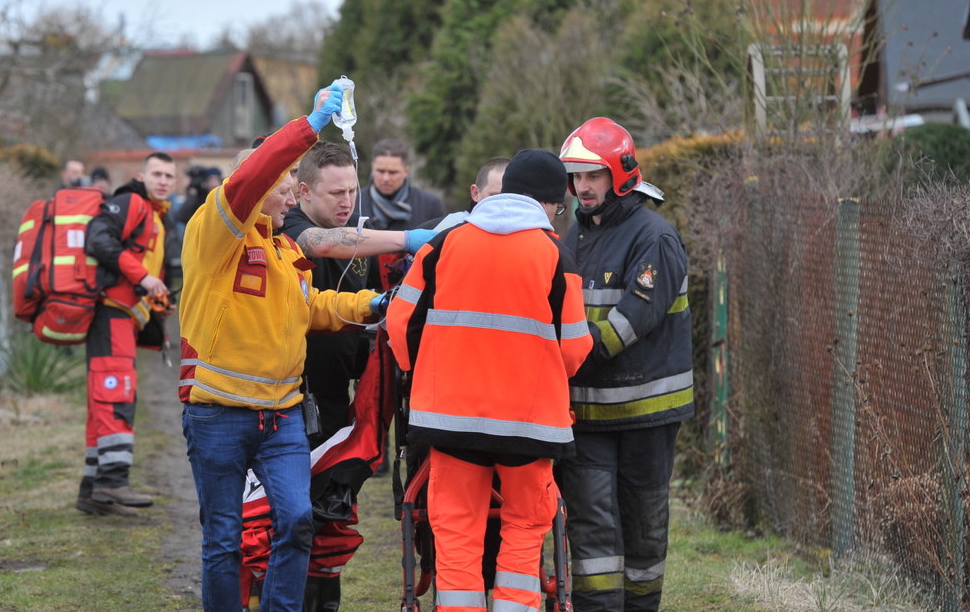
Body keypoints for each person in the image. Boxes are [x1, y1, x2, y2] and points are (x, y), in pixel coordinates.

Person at [177, 84, 382, 611]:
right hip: (219, 414)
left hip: (281, 415)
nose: (293, 191)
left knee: (295, 521)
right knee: (224, 540)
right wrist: (310, 125)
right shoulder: (215, 232)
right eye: (286, 181)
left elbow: (311, 308)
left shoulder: (282, 246)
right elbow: (257, 171)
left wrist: (375, 304)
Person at [387, 149, 593, 612]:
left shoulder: (443, 245)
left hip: (450, 420)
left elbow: (401, 326)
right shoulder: (556, 255)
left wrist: (423, 377)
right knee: (524, 526)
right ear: (548, 203)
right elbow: (575, 348)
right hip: (531, 425)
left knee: (456, 528)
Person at [555, 117, 693, 611]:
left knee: (642, 527)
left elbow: (629, 321)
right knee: (590, 527)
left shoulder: (654, 237)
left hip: (644, 414)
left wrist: (561, 361)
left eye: (593, 176)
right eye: (576, 176)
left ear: (620, 174)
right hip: (588, 415)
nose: (582, 187)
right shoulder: (575, 234)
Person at [281, 140, 435, 447]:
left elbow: (380, 282)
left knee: (335, 477)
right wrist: (405, 238)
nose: (347, 201)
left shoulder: (360, 229)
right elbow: (321, 242)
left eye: (352, 191)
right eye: (337, 193)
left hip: (340, 380)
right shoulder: (288, 224)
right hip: (293, 388)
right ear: (304, 192)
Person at [76, 152, 177, 517]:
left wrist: (157, 300)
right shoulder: (130, 202)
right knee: (114, 394)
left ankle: (92, 489)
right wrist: (143, 277)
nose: (163, 180)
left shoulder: (157, 217)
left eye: (169, 175)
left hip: (124, 317)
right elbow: (97, 239)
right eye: (157, 173)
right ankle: (113, 481)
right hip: (109, 314)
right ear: (142, 175)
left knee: (105, 396)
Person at [358, 139, 445, 230]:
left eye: (393, 172)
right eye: (381, 171)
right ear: (372, 167)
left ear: (406, 171)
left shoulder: (430, 205)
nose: (386, 178)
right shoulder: (355, 203)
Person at [425, 156, 510, 231]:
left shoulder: (521, 232)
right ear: (475, 193)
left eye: (513, 197)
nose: (504, 204)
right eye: (494, 197)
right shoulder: (447, 228)